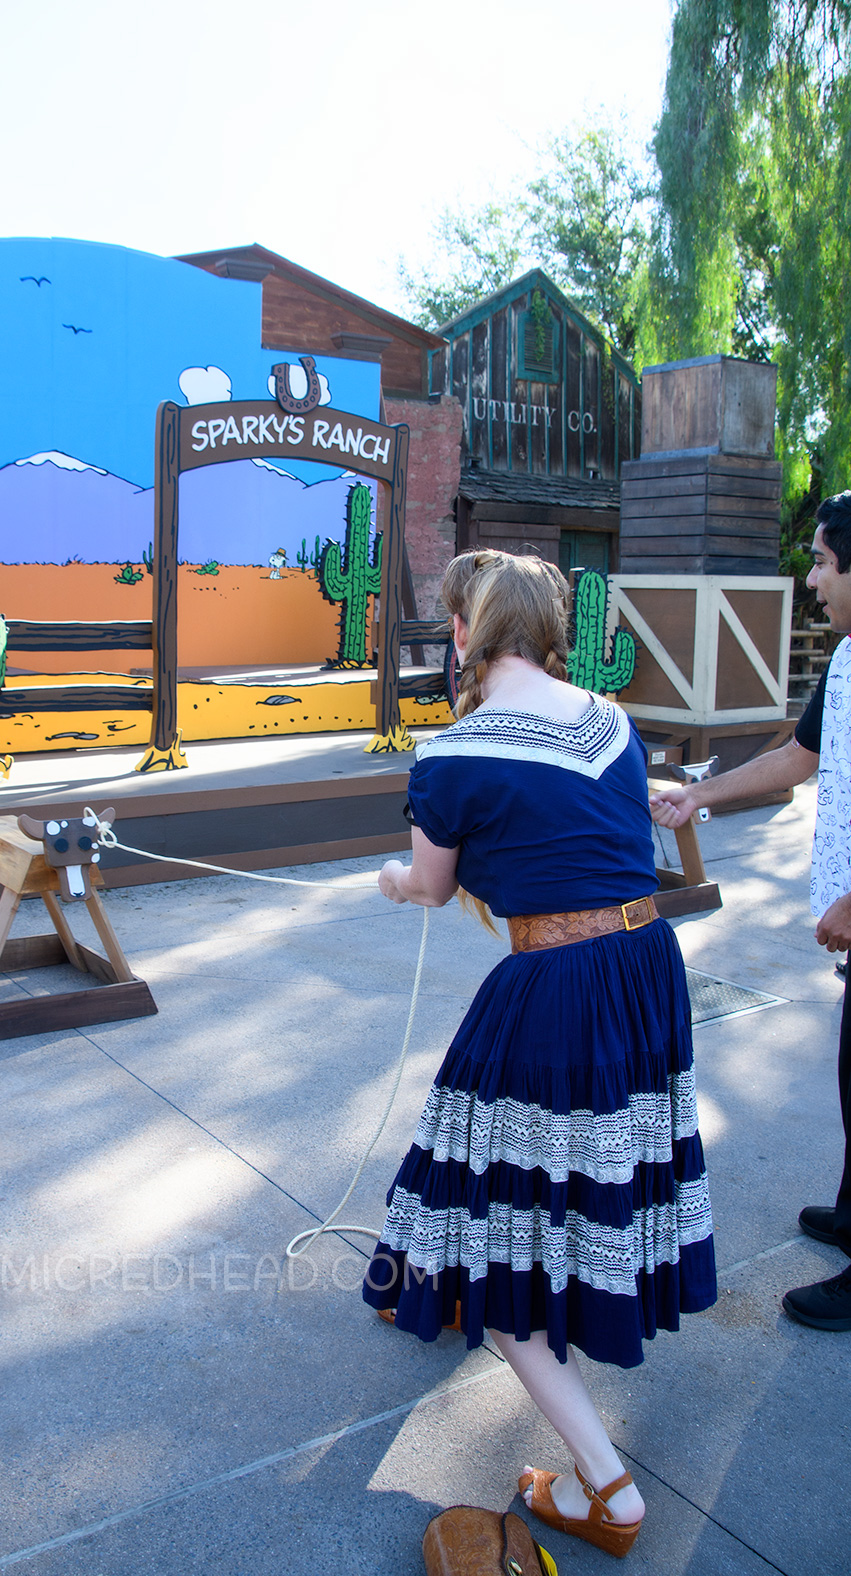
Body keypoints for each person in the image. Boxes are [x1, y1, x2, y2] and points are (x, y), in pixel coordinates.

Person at [363, 549, 717, 1558]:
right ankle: (419, 1284)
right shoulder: (607, 717)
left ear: (466, 634)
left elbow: (432, 888)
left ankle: (607, 1488)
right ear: (547, 629)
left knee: (496, 1226)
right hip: (644, 966)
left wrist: (394, 878)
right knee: (540, 1161)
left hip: (555, 985)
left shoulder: (453, 754)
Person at [652, 489, 851, 1334]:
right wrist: (699, 795)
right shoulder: (844, 660)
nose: (810, 579)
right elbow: (799, 759)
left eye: (820, 560)